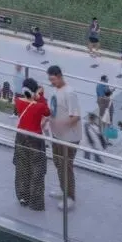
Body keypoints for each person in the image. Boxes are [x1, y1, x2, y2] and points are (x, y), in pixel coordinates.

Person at [47, 64, 81, 207]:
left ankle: (70, 197)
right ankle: (63, 190)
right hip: (57, 135)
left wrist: (61, 124)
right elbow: (54, 109)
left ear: (60, 76)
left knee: (66, 166)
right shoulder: (55, 90)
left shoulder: (70, 93)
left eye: (53, 79)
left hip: (69, 138)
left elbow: (76, 117)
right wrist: (47, 120)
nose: (51, 82)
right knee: (58, 163)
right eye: (50, 80)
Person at [14, 78, 50, 210]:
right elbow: (47, 112)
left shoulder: (17, 101)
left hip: (20, 137)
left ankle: (23, 197)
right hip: (35, 140)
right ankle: (35, 202)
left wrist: (34, 95)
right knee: (37, 170)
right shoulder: (39, 106)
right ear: (34, 92)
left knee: (22, 167)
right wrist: (41, 97)